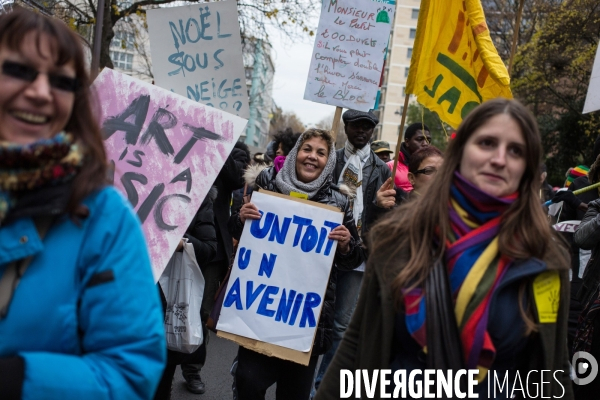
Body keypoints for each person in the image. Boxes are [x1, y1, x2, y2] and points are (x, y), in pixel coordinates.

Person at [316, 98, 572, 399]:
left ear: (527, 167)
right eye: (487, 143)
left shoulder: (547, 259)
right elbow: (357, 344)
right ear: (460, 154)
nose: (500, 158)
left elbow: (551, 372)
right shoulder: (398, 237)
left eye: (515, 150)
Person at [0, 8, 166, 399]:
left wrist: (16, 380)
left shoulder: (106, 220)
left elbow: (129, 372)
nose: (40, 92)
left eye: (61, 81)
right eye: (20, 70)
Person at [229, 128, 364, 400]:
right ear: (295, 154)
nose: (312, 157)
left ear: (329, 161)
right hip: (260, 314)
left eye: (321, 152)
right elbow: (237, 230)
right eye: (307, 149)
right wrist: (241, 218)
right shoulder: (266, 184)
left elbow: (356, 257)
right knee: (249, 383)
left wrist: (347, 244)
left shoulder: (338, 201)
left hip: (306, 325)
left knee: (294, 394)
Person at [311, 109, 390, 395]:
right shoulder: (330, 159)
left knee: (342, 326)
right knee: (310, 315)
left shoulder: (382, 169)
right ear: (346, 127)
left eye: (367, 127)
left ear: (373, 131)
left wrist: (379, 205)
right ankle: (300, 377)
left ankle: (321, 386)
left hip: (357, 254)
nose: (362, 131)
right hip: (320, 249)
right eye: (356, 125)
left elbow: (386, 218)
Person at [180, 140, 249, 394]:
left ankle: (192, 368)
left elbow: (233, 178)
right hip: (170, 233)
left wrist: (216, 140)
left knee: (199, 312)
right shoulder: (178, 132)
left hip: (212, 245)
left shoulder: (236, 148)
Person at [154, 187, 217, 400]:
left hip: (165, 303)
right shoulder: (125, 183)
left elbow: (209, 249)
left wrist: (182, 243)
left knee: (158, 383)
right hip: (118, 299)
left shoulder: (198, 196)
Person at [387, 122, 432, 191]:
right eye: (420, 139)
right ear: (407, 142)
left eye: (428, 140)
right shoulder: (390, 167)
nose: (425, 144)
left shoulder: (433, 169)